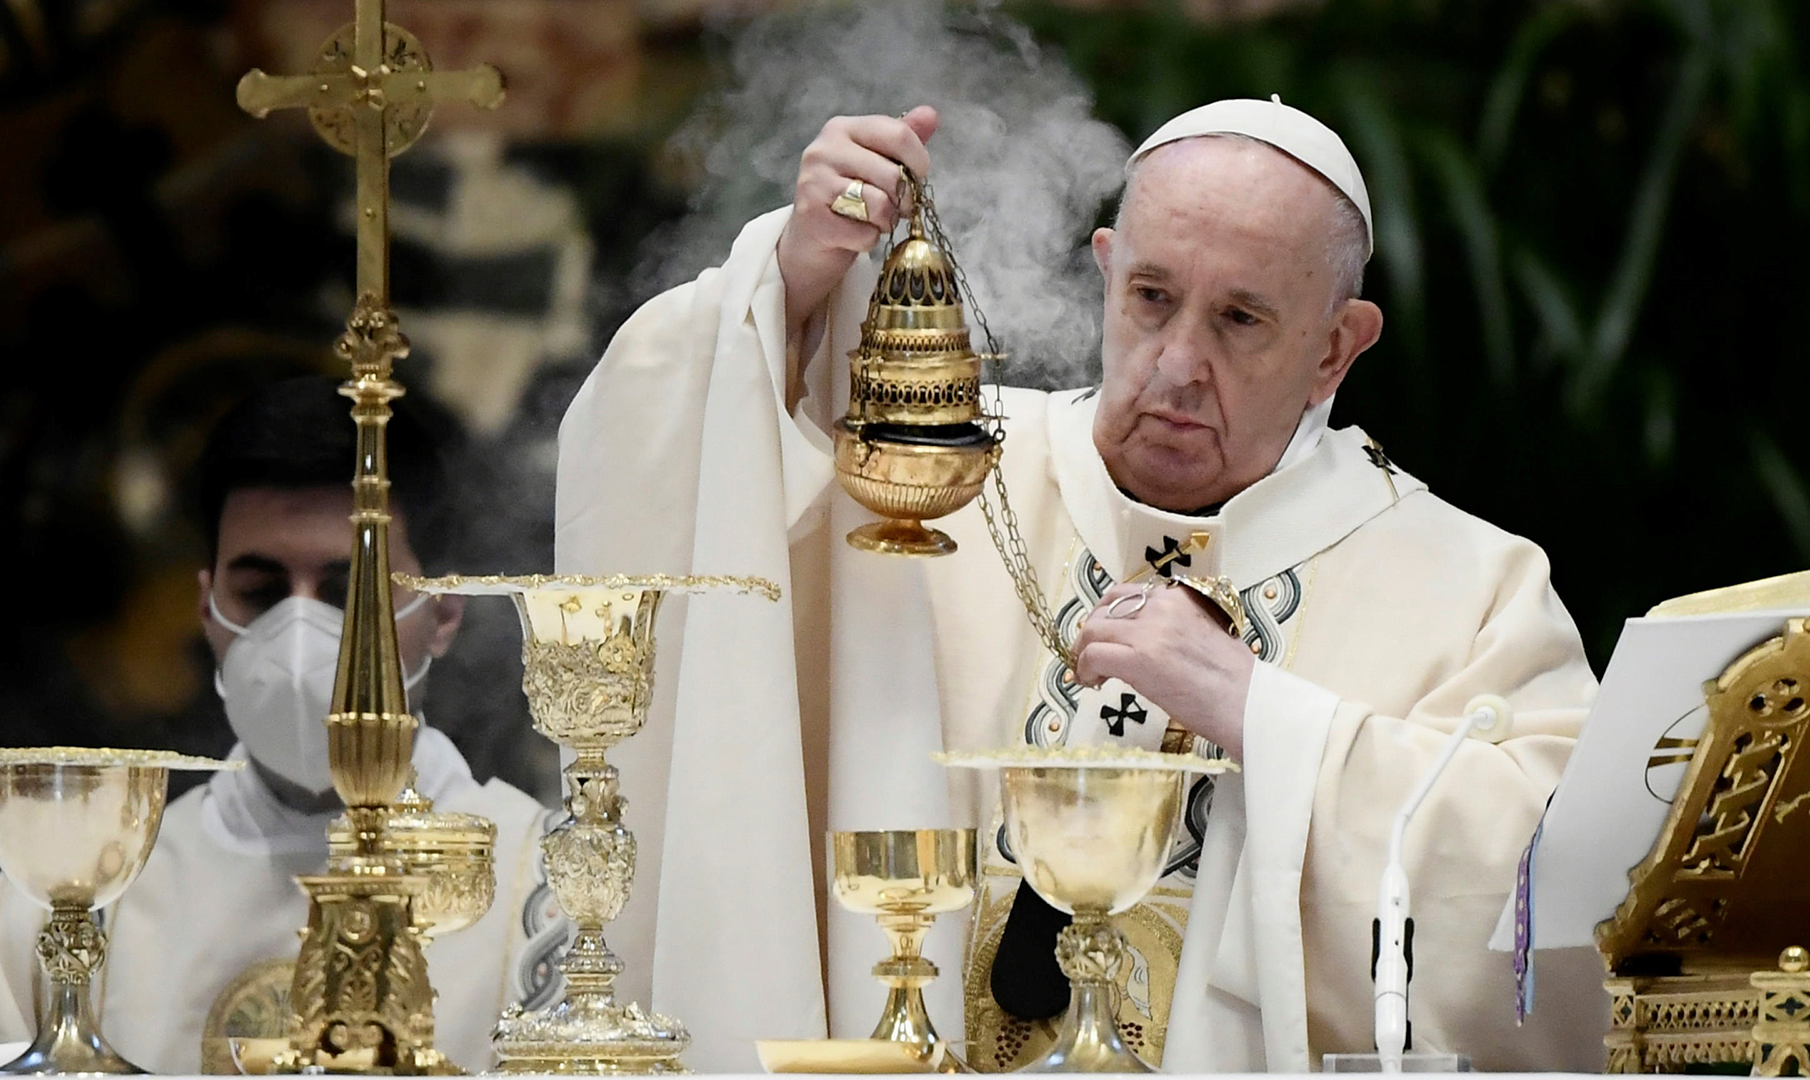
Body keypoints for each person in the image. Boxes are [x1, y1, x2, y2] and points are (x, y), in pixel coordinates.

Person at [558, 97, 1606, 1072]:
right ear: (1106, 271)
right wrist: (791, 280)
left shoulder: (1471, 583)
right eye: (1152, 298)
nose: (1179, 362)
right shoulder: (929, 476)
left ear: (1338, 347)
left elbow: (1559, 905)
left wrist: (1261, 714)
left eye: (1241, 320)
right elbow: (681, 473)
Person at [0, 376, 570, 1074]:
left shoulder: (547, 895)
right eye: (261, 593)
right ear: (206, 606)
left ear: (445, 611)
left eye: (348, 593)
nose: (300, 635)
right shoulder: (74, 893)